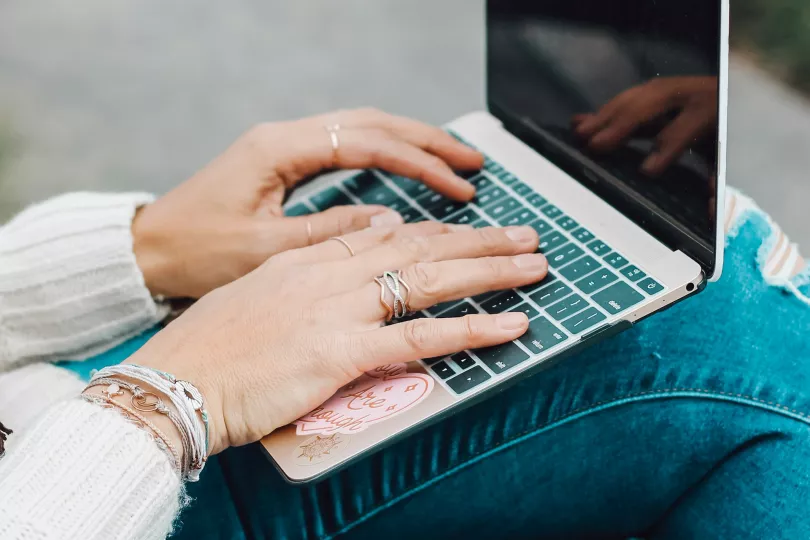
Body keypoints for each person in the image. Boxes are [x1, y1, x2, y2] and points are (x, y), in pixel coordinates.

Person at [0, 108, 808, 540]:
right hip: (98, 484)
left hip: (54, 425)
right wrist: (164, 404)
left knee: (703, 280)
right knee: (740, 338)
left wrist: (148, 250)